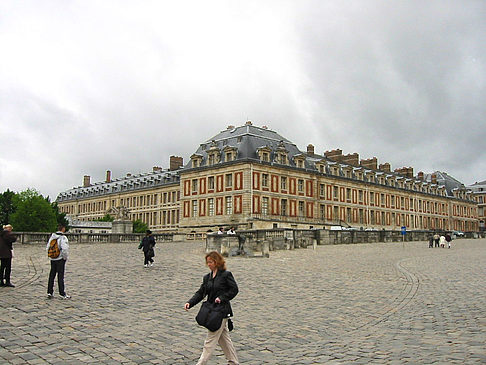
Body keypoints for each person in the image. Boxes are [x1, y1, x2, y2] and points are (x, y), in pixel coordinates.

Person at [184, 251, 239, 365]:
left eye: (211, 262)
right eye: (207, 262)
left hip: (221, 311)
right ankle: (233, 362)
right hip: (211, 310)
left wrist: (222, 297)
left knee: (210, 340)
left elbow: (234, 290)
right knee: (224, 339)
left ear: (217, 262)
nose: (209, 264)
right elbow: (201, 293)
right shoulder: (207, 277)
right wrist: (190, 303)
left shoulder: (226, 275)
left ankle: (201, 363)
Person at [46, 224, 70, 299]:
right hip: (60, 259)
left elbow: (47, 248)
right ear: (63, 229)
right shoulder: (63, 238)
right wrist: (64, 258)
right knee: (60, 276)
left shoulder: (52, 237)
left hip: (53, 259)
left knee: (51, 275)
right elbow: (64, 249)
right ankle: (62, 293)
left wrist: (51, 256)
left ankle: (50, 292)